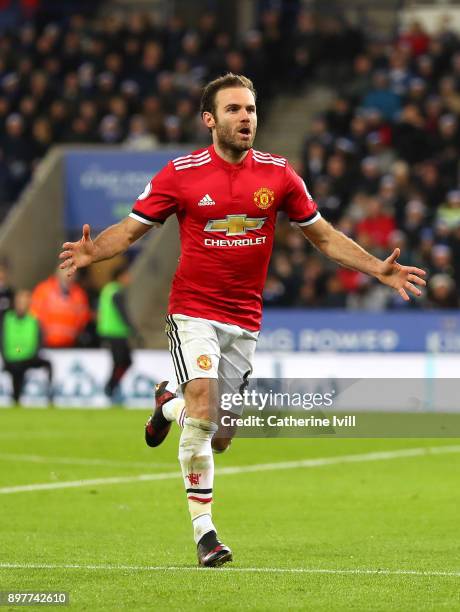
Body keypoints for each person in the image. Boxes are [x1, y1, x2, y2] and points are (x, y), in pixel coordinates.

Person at [59, 73, 426, 567]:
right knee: (206, 413)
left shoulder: (278, 175)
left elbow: (324, 236)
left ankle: (167, 405)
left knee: (223, 432)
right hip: (194, 311)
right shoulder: (181, 173)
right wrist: (92, 252)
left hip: (244, 320)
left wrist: (376, 267)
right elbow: (130, 231)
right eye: (233, 110)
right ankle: (205, 535)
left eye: (250, 109)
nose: (245, 118)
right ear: (210, 120)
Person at [1, 289, 53, 405]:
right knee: (16, 369)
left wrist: (31, 354)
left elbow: (39, 342)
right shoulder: (7, 319)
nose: (21, 304)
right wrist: (8, 357)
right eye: (20, 301)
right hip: (11, 358)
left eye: (24, 302)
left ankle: (50, 396)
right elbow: (3, 342)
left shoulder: (34, 320)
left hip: (29, 358)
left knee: (48, 365)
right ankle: (16, 399)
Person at [97, 264, 134, 400]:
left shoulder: (108, 289)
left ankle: (113, 386)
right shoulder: (116, 291)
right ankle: (110, 387)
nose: (129, 278)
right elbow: (122, 313)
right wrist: (133, 330)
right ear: (120, 277)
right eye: (127, 275)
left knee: (124, 361)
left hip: (111, 331)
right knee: (121, 361)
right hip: (115, 332)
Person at [30, 266, 91, 348]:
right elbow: (34, 315)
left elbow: (83, 319)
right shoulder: (43, 290)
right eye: (65, 270)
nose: (68, 274)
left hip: (70, 344)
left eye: (72, 271)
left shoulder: (79, 295)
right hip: (46, 343)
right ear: (57, 272)